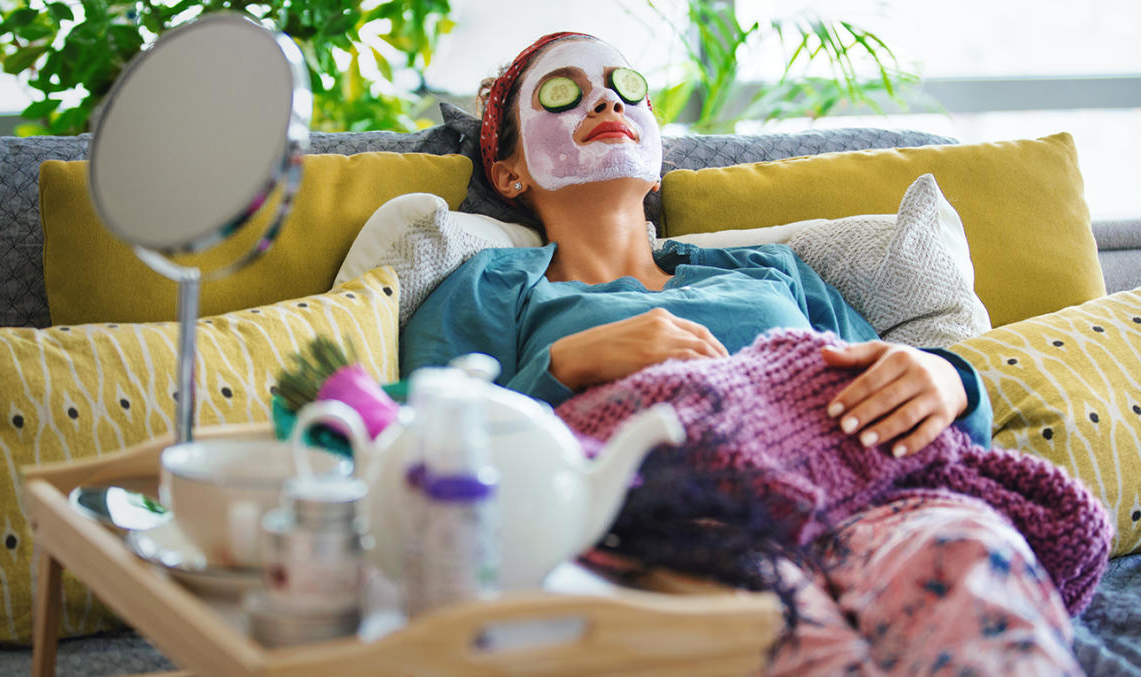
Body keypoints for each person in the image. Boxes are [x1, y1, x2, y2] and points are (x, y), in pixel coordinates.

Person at [400, 32, 1087, 675]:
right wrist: (567, 364)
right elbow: (428, 448)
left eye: (624, 87)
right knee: (784, 629)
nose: (606, 100)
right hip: (673, 521)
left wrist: (949, 376)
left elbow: (893, 405)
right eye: (562, 93)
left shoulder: (771, 271)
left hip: (860, 503)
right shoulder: (494, 285)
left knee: (967, 560)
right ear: (509, 171)